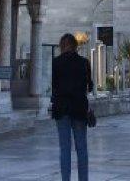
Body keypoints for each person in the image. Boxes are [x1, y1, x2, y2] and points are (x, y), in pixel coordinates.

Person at [52, 33, 93, 181]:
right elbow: (90, 86)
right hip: (79, 108)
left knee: (65, 149)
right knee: (81, 148)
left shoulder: (55, 63)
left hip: (61, 108)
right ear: (76, 46)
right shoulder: (84, 62)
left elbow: (52, 86)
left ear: (62, 46)